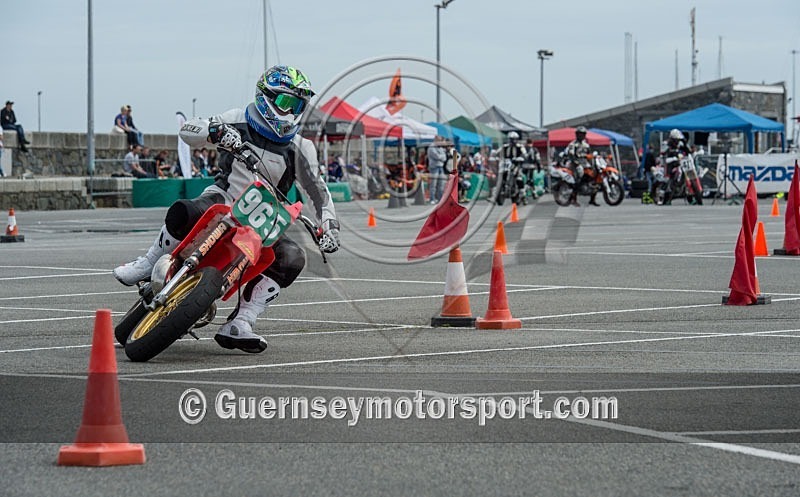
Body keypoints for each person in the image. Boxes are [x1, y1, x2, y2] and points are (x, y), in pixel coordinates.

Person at [113, 65, 339, 354]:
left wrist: (329, 227)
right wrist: (215, 131)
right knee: (185, 209)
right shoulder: (237, 118)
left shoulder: (302, 147)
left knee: (293, 257)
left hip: (264, 219)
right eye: (286, 102)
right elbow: (188, 130)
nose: (291, 111)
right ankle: (148, 262)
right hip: (223, 199)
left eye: (297, 105)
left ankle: (242, 321)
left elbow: (317, 190)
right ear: (266, 96)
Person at [563, 126, 594, 206]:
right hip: (575, 164)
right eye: (580, 134)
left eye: (583, 134)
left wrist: (592, 162)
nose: (581, 136)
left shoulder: (586, 145)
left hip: (585, 164)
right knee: (579, 177)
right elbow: (571, 154)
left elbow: (589, 154)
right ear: (576, 134)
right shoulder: (573, 144)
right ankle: (574, 198)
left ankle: (592, 198)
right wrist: (575, 161)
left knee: (593, 174)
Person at [427, 135, 448, 203]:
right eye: (439, 140)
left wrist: (441, 157)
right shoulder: (431, 147)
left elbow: (445, 158)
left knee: (441, 184)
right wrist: (441, 157)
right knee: (433, 184)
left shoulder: (440, 148)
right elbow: (436, 156)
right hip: (434, 167)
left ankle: (440, 199)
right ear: (435, 140)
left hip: (441, 167)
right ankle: (432, 199)